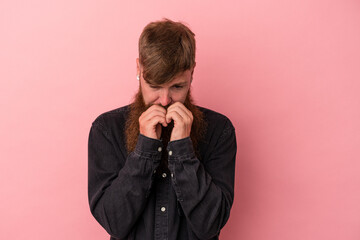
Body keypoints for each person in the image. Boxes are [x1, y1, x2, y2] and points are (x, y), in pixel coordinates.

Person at [88, 18, 237, 240]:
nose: (165, 100)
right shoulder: (106, 130)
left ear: (192, 72)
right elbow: (113, 222)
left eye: (177, 86)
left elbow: (211, 224)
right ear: (139, 68)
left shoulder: (220, 130)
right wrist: (145, 150)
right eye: (155, 86)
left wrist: (183, 150)